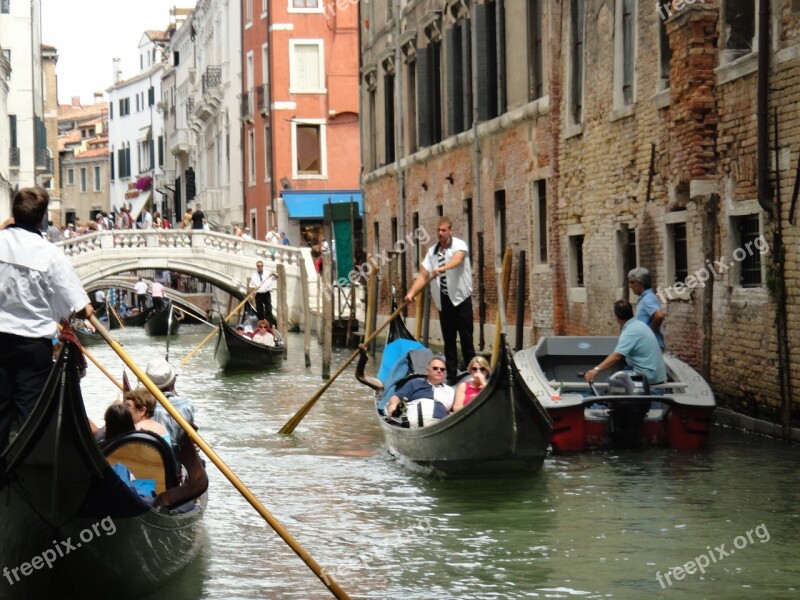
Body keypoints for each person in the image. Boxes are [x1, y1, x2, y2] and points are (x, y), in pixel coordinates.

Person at [0, 187, 93, 450]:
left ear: (14, 213)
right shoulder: (51, 254)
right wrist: (86, 309)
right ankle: (26, 476)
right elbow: (78, 304)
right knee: (30, 416)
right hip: (33, 347)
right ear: (41, 218)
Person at [405, 216, 475, 382]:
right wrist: (411, 293)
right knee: (449, 340)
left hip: (461, 300)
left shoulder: (459, 245)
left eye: (444, 230)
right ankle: (451, 377)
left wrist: (442, 268)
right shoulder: (432, 252)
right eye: (438, 230)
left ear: (450, 231)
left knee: (466, 338)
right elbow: (423, 275)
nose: (441, 233)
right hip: (444, 302)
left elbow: (457, 260)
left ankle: (473, 372)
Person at [584, 300, 667, 386]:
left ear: (617, 317)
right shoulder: (640, 325)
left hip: (648, 376)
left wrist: (595, 370)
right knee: (623, 371)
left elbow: (617, 356)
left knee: (610, 383)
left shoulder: (630, 331)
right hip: (656, 375)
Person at [386, 356, 455, 427]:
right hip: (413, 428)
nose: (439, 371)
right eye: (435, 368)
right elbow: (396, 397)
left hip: (440, 427)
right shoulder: (414, 383)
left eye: (442, 369)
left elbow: (455, 410)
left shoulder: (450, 391)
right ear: (428, 370)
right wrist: (393, 405)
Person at [145, 357, 196, 449]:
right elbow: (186, 438)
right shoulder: (186, 404)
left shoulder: (139, 406)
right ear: (172, 381)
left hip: (148, 455)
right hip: (174, 458)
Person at [628, 267, 666, 351]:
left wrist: (649, 334)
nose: (630, 286)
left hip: (651, 346)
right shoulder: (645, 298)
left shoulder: (648, 298)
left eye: (632, 282)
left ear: (641, 283)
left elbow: (659, 316)